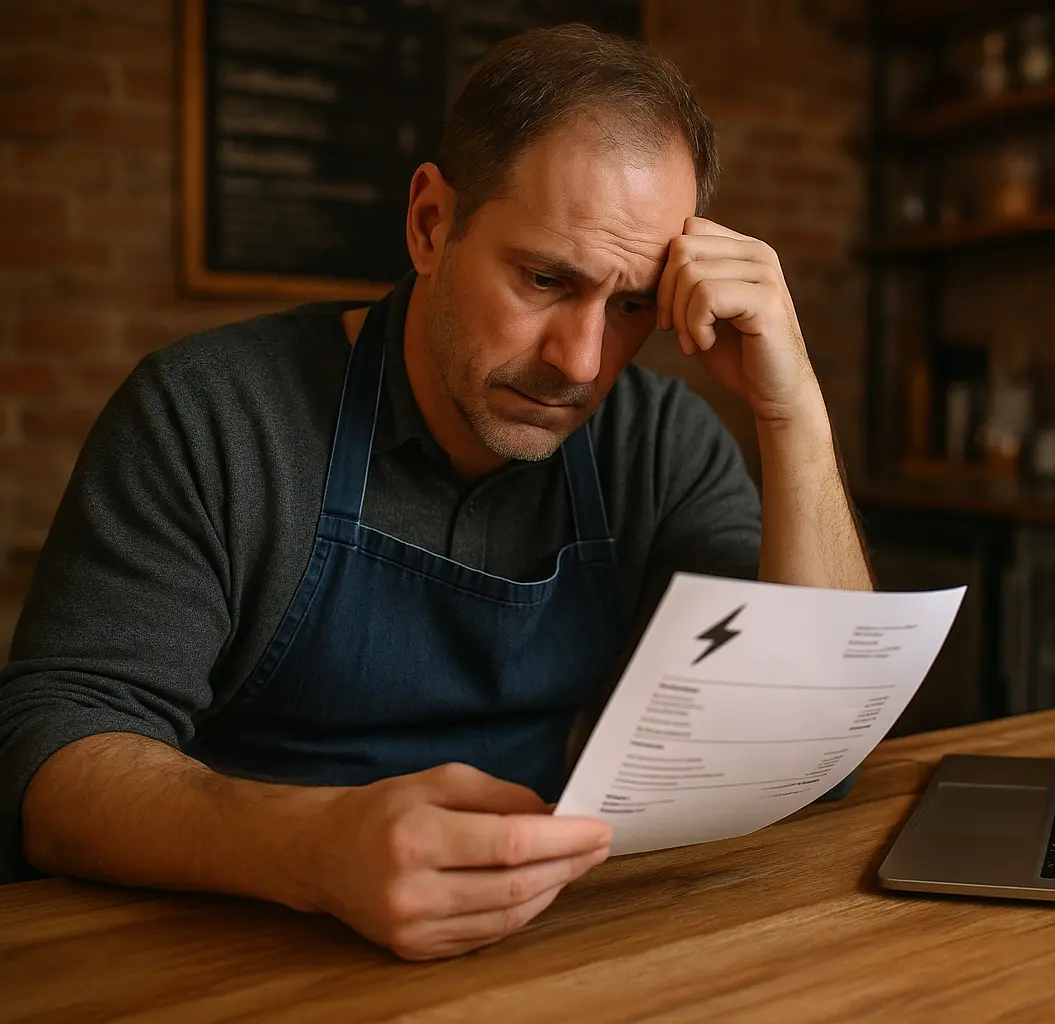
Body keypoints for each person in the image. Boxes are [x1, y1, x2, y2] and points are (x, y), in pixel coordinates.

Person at [0, 25, 871, 961]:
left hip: (528, 947)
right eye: (545, 279)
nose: (579, 363)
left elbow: (814, 753)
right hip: (228, 946)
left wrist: (796, 417)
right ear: (429, 224)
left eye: (631, 308)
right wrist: (312, 847)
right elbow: (46, 758)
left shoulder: (658, 442)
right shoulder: (208, 414)